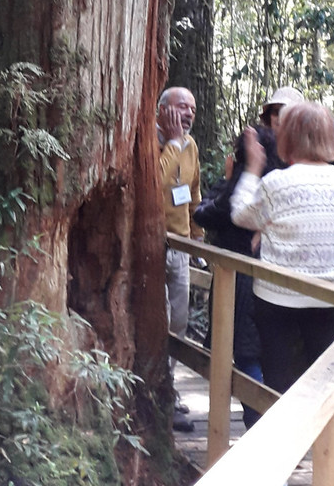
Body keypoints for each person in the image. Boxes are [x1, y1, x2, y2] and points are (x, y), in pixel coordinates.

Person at [194, 86, 303, 428]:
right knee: (251, 352)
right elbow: (210, 213)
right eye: (275, 115)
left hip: (270, 276)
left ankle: (266, 430)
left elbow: (219, 212)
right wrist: (233, 180)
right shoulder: (250, 162)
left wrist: (235, 183)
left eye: (287, 115)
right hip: (244, 277)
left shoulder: (291, 167)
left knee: (257, 353)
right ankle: (264, 429)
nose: (279, 122)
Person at [230, 101, 334, 394]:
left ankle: (286, 438)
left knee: (281, 386)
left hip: (279, 299)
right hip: (331, 295)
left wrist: (252, 169)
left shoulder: (275, 182)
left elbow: (240, 214)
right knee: (324, 387)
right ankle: (324, 440)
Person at [158, 86, 202, 432]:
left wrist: (198, 235)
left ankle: (168, 388)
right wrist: (172, 143)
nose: (187, 113)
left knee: (180, 322)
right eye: (180, 107)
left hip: (182, 247)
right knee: (160, 319)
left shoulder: (192, 146)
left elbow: (194, 191)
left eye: (192, 109)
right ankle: (156, 394)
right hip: (154, 246)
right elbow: (157, 181)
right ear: (162, 110)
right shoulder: (153, 140)